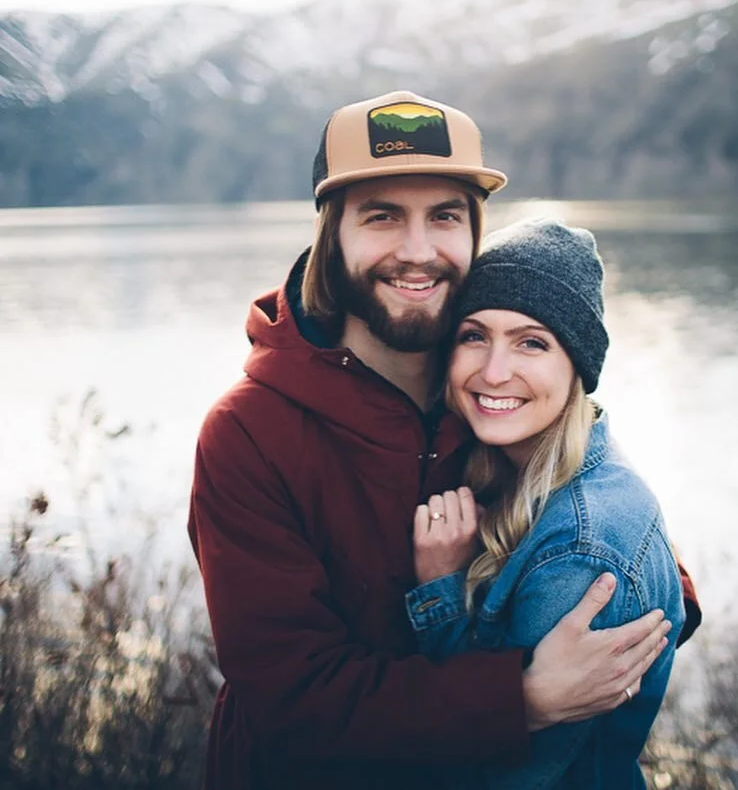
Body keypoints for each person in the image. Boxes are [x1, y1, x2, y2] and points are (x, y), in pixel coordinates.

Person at [188, 90, 701, 789]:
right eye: (382, 217)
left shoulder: (491, 394)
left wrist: (642, 599)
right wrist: (520, 699)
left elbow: (609, 524)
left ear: (473, 231)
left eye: (445, 217)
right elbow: (294, 699)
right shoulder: (249, 434)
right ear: (331, 233)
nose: (418, 251)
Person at [405, 218, 688, 787]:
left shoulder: (581, 551)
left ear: (577, 365)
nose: (493, 371)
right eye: (474, 335)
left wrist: (440, 589)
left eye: (532, 343)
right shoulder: (518, 472)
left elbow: (503, 772)